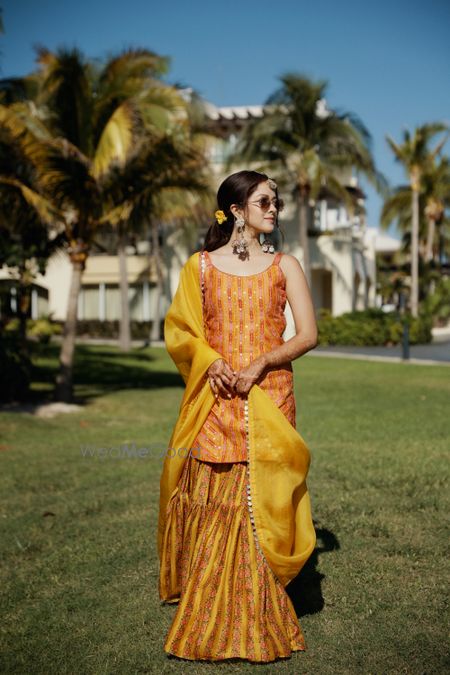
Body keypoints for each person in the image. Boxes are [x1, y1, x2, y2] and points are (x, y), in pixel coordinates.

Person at [157, 170, 317, 663]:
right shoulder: (200, 267)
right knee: (221, 500)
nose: (274, 209)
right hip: (219, 398)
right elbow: (183, 332)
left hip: (269, 399)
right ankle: (213, 607)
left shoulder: (284, 265)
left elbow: (308, 335)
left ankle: (257, 608)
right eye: (264, 201)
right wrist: (215, 365)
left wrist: (261, 362)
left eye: (277, 202)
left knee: (260, 500)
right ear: (235, 209)